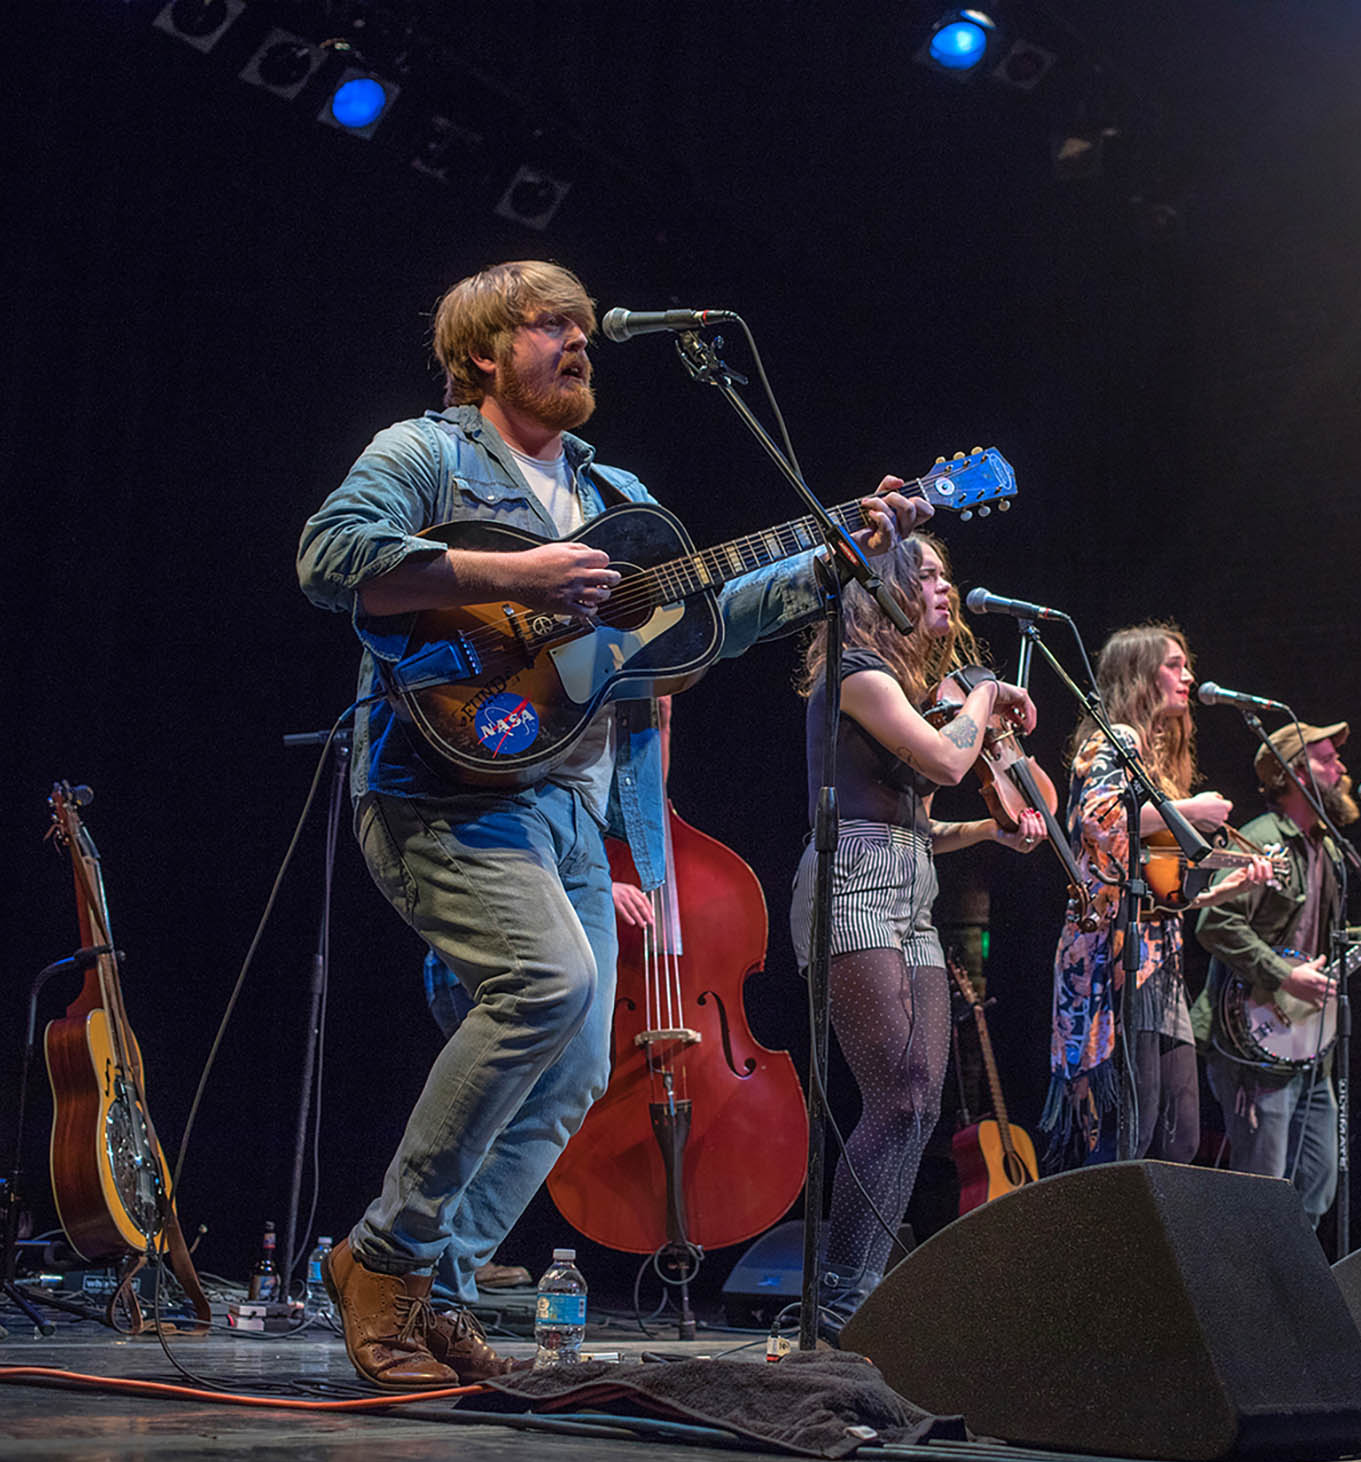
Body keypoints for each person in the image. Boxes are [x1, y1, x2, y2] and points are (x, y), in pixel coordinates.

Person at [296, 259, 929, 1387]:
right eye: (547, 325)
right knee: (550, 986)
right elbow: (331, 557)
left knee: (581, 1063)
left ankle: (436, 1288)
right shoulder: (423, 453)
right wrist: (521, 570)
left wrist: (832, 560)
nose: (577, 340)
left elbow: (699, 631)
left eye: (582, 326)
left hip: (571, 804)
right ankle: (382, 1260)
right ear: (484, 352)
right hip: (444, 785)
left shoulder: (614, 498)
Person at [786, 533, 1043, 1339]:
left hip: (908, 883)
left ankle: (856, 1285)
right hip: (850, 879)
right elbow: (941, 759)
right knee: (893, 1093)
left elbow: (923, 822)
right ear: (885, 589)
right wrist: (983, 693)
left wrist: (989, 836)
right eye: (923, 574)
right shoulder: (856, 675)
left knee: (922, 1098)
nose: (940, 586)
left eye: (943, 573)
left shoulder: (908, 687)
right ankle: (837, 1290)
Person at [1042, 625, 1269, 1168]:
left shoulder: (1158, 766)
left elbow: (1159, 892)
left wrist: (1222, 887)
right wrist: (1190, 811)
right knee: (1128, 1133)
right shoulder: (1116, 737)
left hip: (1158, 965)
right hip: (1113, 962)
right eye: (1174, 664)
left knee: (1181, 1136)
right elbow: (1096, 820)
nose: (1187, 676)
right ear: (1140, 675)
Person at [1192, 719, 1361, 1225]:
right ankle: (1245, 1303)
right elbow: (1214, 922)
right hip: (1252, 1043)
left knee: (1317, 1186)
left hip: (1307, 1047)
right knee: (1263, 1195)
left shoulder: (1331, 851)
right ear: (1294, 773)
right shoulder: (1260, 842)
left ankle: (1292, 1297)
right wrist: (1281, 975)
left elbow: (1321, 947)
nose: (1341, 769)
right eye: (1326, 760)